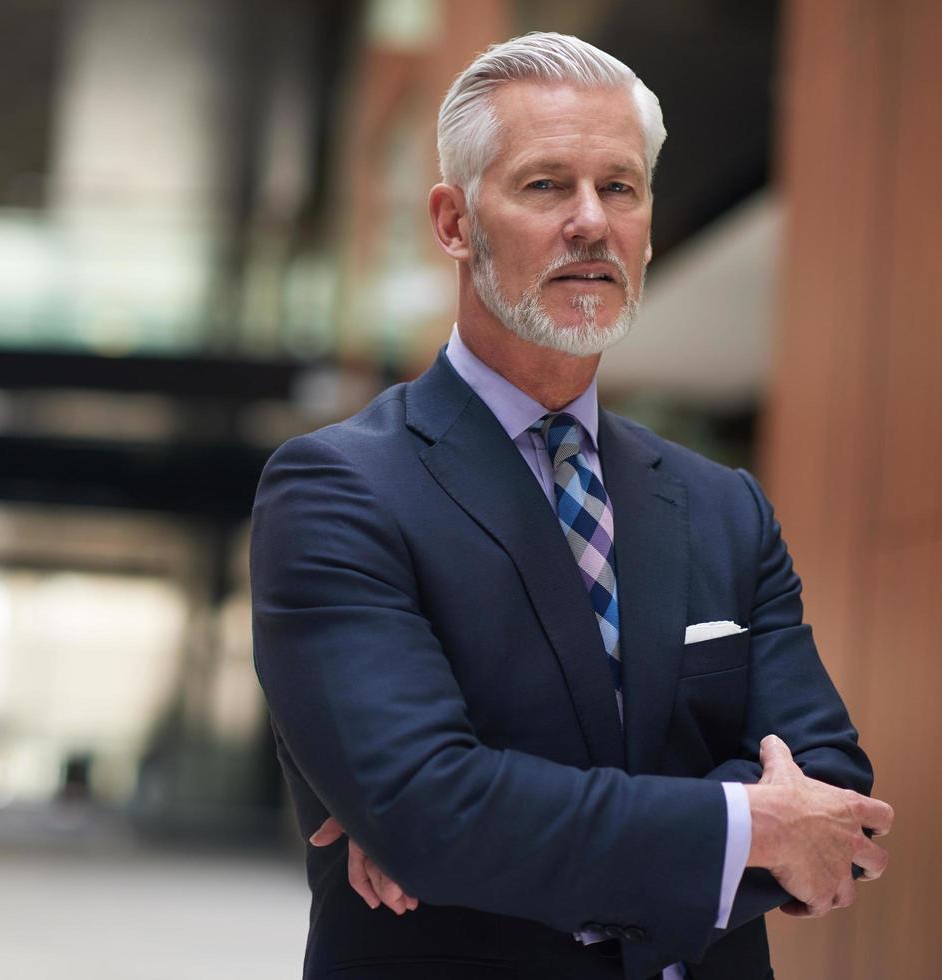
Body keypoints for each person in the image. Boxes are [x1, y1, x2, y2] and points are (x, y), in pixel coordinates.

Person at [249, 32, 892, 980]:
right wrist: (743, 824)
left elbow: (831, 797)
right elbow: (433, 808)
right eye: (546, 185)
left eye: (619, 187)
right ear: (454, 222)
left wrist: (483, 834)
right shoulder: (339, 490)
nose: (590, 222)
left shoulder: (724, 508)